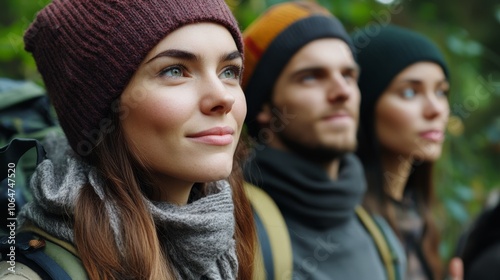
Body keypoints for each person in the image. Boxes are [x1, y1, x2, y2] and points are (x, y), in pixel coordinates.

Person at [0, 0, 256, 279]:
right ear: (104, 111)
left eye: (229, 71)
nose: (223, 97)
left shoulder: (228, 238)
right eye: (174, 71)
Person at [241, 2, 400, 279]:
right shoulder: (237, 235)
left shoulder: (382, 238)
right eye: (311, 77)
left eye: (349, 75)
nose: (342, 92)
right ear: (264, 108)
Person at [353, 24, 451, 280]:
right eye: (410, 92)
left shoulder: (420, 216)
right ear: (364, 105)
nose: (436, 109)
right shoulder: (346, 224)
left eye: (441, 92)